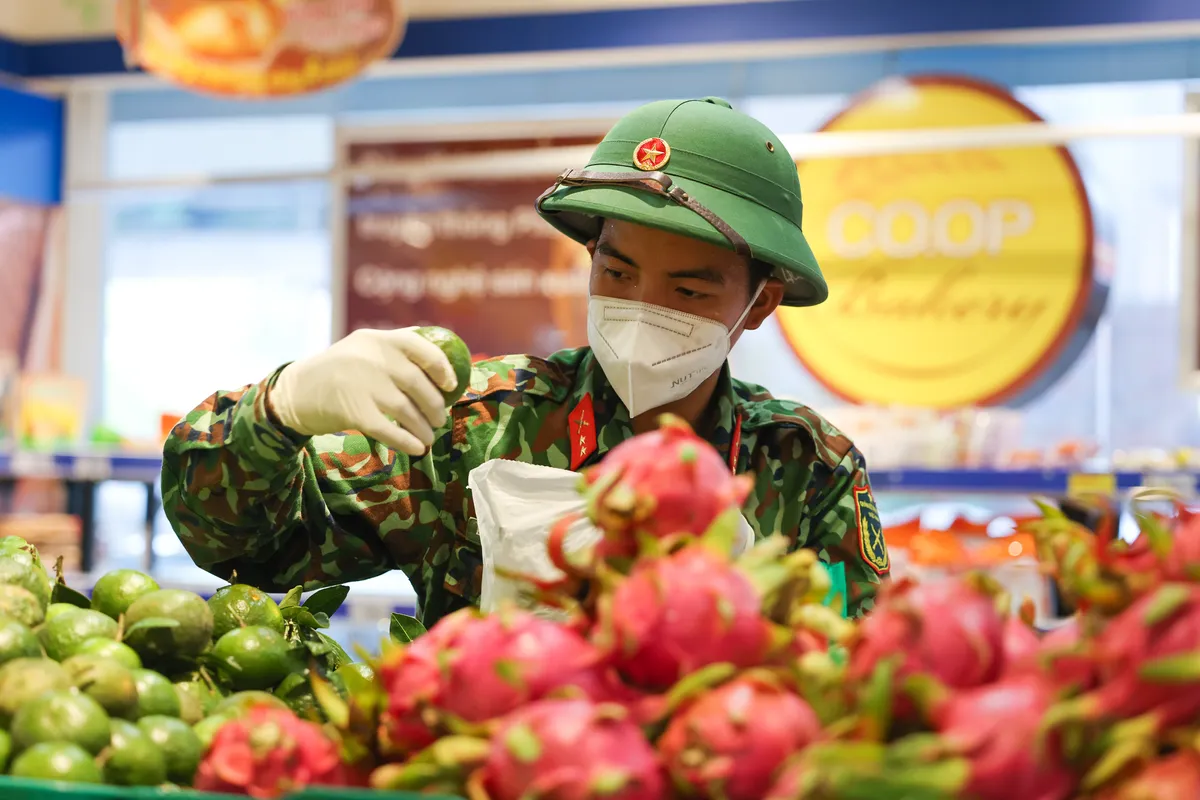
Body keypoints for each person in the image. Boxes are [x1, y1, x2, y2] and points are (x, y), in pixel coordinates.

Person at [162, 97, 890, 625]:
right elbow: (245, 550)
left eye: (689, 288)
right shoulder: (475, 426)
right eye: (617, 272)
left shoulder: (806, 466)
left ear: (759, 305)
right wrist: (279, 409)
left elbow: (854, 679)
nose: (640, 304)